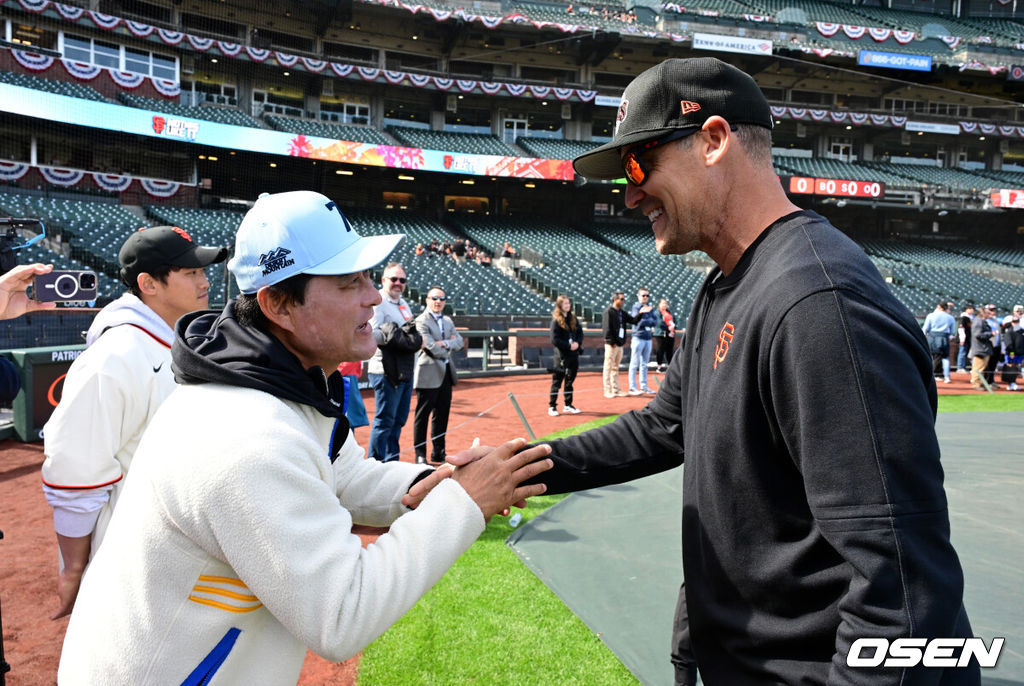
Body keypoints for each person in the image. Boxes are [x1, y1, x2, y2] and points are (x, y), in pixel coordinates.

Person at [522, 57, 976, 683]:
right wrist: (521, 468)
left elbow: (901, 588)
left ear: (713, 140)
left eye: (638, 164)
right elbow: (663, 427)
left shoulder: (820, 307)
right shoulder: (727, 283)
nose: (628, 193)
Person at [56, 190, 553, 685]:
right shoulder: (245, 437)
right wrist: (464, 501)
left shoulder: (278, 382)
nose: (374, 296)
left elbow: (344, 476)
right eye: (347, 282)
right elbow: (341, 614)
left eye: (367, 278)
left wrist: (444, 479)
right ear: (278, 305)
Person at [40, 226, 227, 619]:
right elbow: (74, 469)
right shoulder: (116, 354)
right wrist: (75, 567)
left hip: (176, 551)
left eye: (201, 271)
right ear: (148, 284)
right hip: (127, 564)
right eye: (190, 272)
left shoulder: (176, 341)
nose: (203, 281)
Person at [367, 262, 421, 461]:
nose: (398, 283)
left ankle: (391, 461)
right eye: (394, 279)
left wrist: (404, 336)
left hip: (405, 369)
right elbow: (373, 334)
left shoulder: (403, 303)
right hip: (385, 370)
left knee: (398, 420)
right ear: (383, 280)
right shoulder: (379, 301)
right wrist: (399, 336)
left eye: (402, 280)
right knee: (385, 420)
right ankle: (375, 463)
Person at [412, 286, 463, 465]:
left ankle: (439, 452)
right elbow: (430, 346)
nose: (438, 301)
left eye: (441, 298)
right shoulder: (421, 320)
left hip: (446, 374)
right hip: (428, 373)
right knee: (422, 416)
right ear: (427, 300)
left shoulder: (448, 320)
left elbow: (460, 341)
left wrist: (445, 344)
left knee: (442, 415)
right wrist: (447, 345)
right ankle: (420, 454)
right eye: (434, 298)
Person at [601, 290, 642, 398]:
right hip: (611, 345)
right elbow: (606, 328)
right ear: (615, 299)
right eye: (621, 299)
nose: (623, 301)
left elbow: (633, 321)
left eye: (624, 299)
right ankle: (607, 390)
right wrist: (611, 342)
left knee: (615, 367)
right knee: (608, 367)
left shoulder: (621, 312)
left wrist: (641, 313)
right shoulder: (609, 312)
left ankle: (616, 389)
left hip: (619, 344)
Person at [548, 294, 583, 416]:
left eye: (568, 303)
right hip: (561, 355)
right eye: (565, 303)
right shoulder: (556, 320)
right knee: (557, 381)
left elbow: (579, 333)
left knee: (569, 381)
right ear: (560, 305)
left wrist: (577, 344)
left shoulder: (573, 319)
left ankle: (568, 405)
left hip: (573, 355)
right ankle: (552, 406)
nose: (568, 305)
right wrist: (569, 346)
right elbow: (554, 339)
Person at [627, 287, 658, 395]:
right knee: (634, 363)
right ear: (638, 296)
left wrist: (647, 320)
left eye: (647, 295)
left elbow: (655, 321)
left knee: (644, 364)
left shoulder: (650, 308)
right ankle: (632, 387)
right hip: (638, 337)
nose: (645, 297)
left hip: (648, 338)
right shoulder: (636, 307)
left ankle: (644, 386)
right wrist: (647, 320)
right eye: (643, 295)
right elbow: (639, 322)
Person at [922, 300, 956, 384]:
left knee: (931, 356)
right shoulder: (950, 317)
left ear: (939, 307)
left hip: (932, 337)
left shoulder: (931, 315)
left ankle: (930, 376)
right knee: (945, 357)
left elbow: (925, 329)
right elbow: (952, 332)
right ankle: (947, 377)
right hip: (944, 337)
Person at [337, 360, 369, 430]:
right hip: (347, 378)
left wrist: (331, 374)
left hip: (344, 379)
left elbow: (351, 363)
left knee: (346, 420)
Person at [970, 304, 996, 390]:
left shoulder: (981, 321)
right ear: (982, 313)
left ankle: (980, 383)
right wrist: (991, 334)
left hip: (984, 348)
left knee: (982, 367)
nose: (989, 314)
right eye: (987, 313)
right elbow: (978, 334)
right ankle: (976, 384)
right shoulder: (978, 321)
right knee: (978, 368)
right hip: (980, 348)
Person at [653, 297, 676, 372]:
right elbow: (659, 322)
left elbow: (675, 320)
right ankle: (659, 366)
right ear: (659, 304)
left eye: (666, 303)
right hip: (660, 333)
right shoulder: (657, 312)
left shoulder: (669, 312)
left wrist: (674, 326)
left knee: (669, 350)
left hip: (670, 334)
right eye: (663, 303)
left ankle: (670, 366)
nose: (665, 305)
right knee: (660, 349)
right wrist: (668, 327)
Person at [957, 303, 975, 372]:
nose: (972, 310)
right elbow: (961, 329)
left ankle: (963, 366)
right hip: (964, 338)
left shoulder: (970, 318)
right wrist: (962, 339)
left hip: (968, 338)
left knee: (965, 352)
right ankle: (960, 367)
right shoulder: (964, 317)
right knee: (962, 352)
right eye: (970, 308)